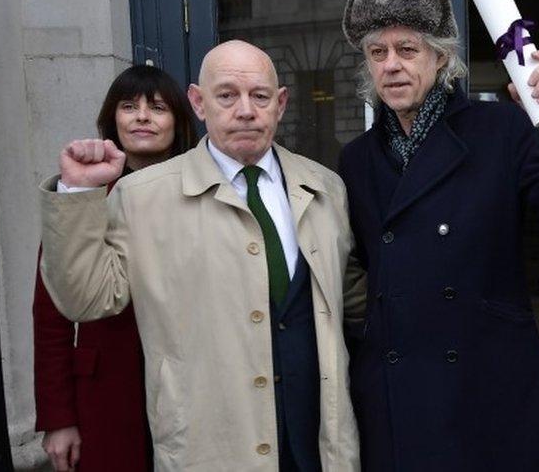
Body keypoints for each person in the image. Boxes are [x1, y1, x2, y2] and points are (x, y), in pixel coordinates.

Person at [37, 41, 363, 471]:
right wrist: (78, 192)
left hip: (316, 442)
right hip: (211, 444)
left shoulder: (326, 187)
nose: (245, 110)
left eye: (260, 96)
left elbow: (353, 294)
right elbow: (86, 299)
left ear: (280, 104)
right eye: (226, 95)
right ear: (198, 102)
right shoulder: (140, 197)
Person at [338, 0, 539, 470]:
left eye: (407, 49)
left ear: (440, 58)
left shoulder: (502, 129)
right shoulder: (355, 159)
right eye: (378, 53)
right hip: (397, 390)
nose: (392, 66)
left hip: (487, 384)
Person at [34, 64, 196, 472]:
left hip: (189, 387)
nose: (142, 116)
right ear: (112, 118)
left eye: (157, 107)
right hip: (107, 394)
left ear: (178, 122)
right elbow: (50, 315)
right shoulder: (83, 196)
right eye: (129, 105)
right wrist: (58, 419)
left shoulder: (199, 194)